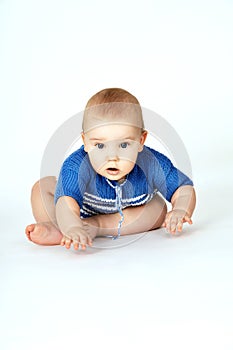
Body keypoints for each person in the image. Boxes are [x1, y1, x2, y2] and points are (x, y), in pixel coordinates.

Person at [25, 88, 196, 250]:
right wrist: (71, 225)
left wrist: (181, 209)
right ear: (85, 141)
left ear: (140, 141)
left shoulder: (151, 163)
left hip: (127, 213)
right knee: (42, 187)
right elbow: (66, 202)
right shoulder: (76, 166)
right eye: (99, 145)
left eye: (123, 144)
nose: (111, 157)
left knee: (157, 208)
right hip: (80, 211)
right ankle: (60, 228)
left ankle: (96, 226)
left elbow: (183, 188)